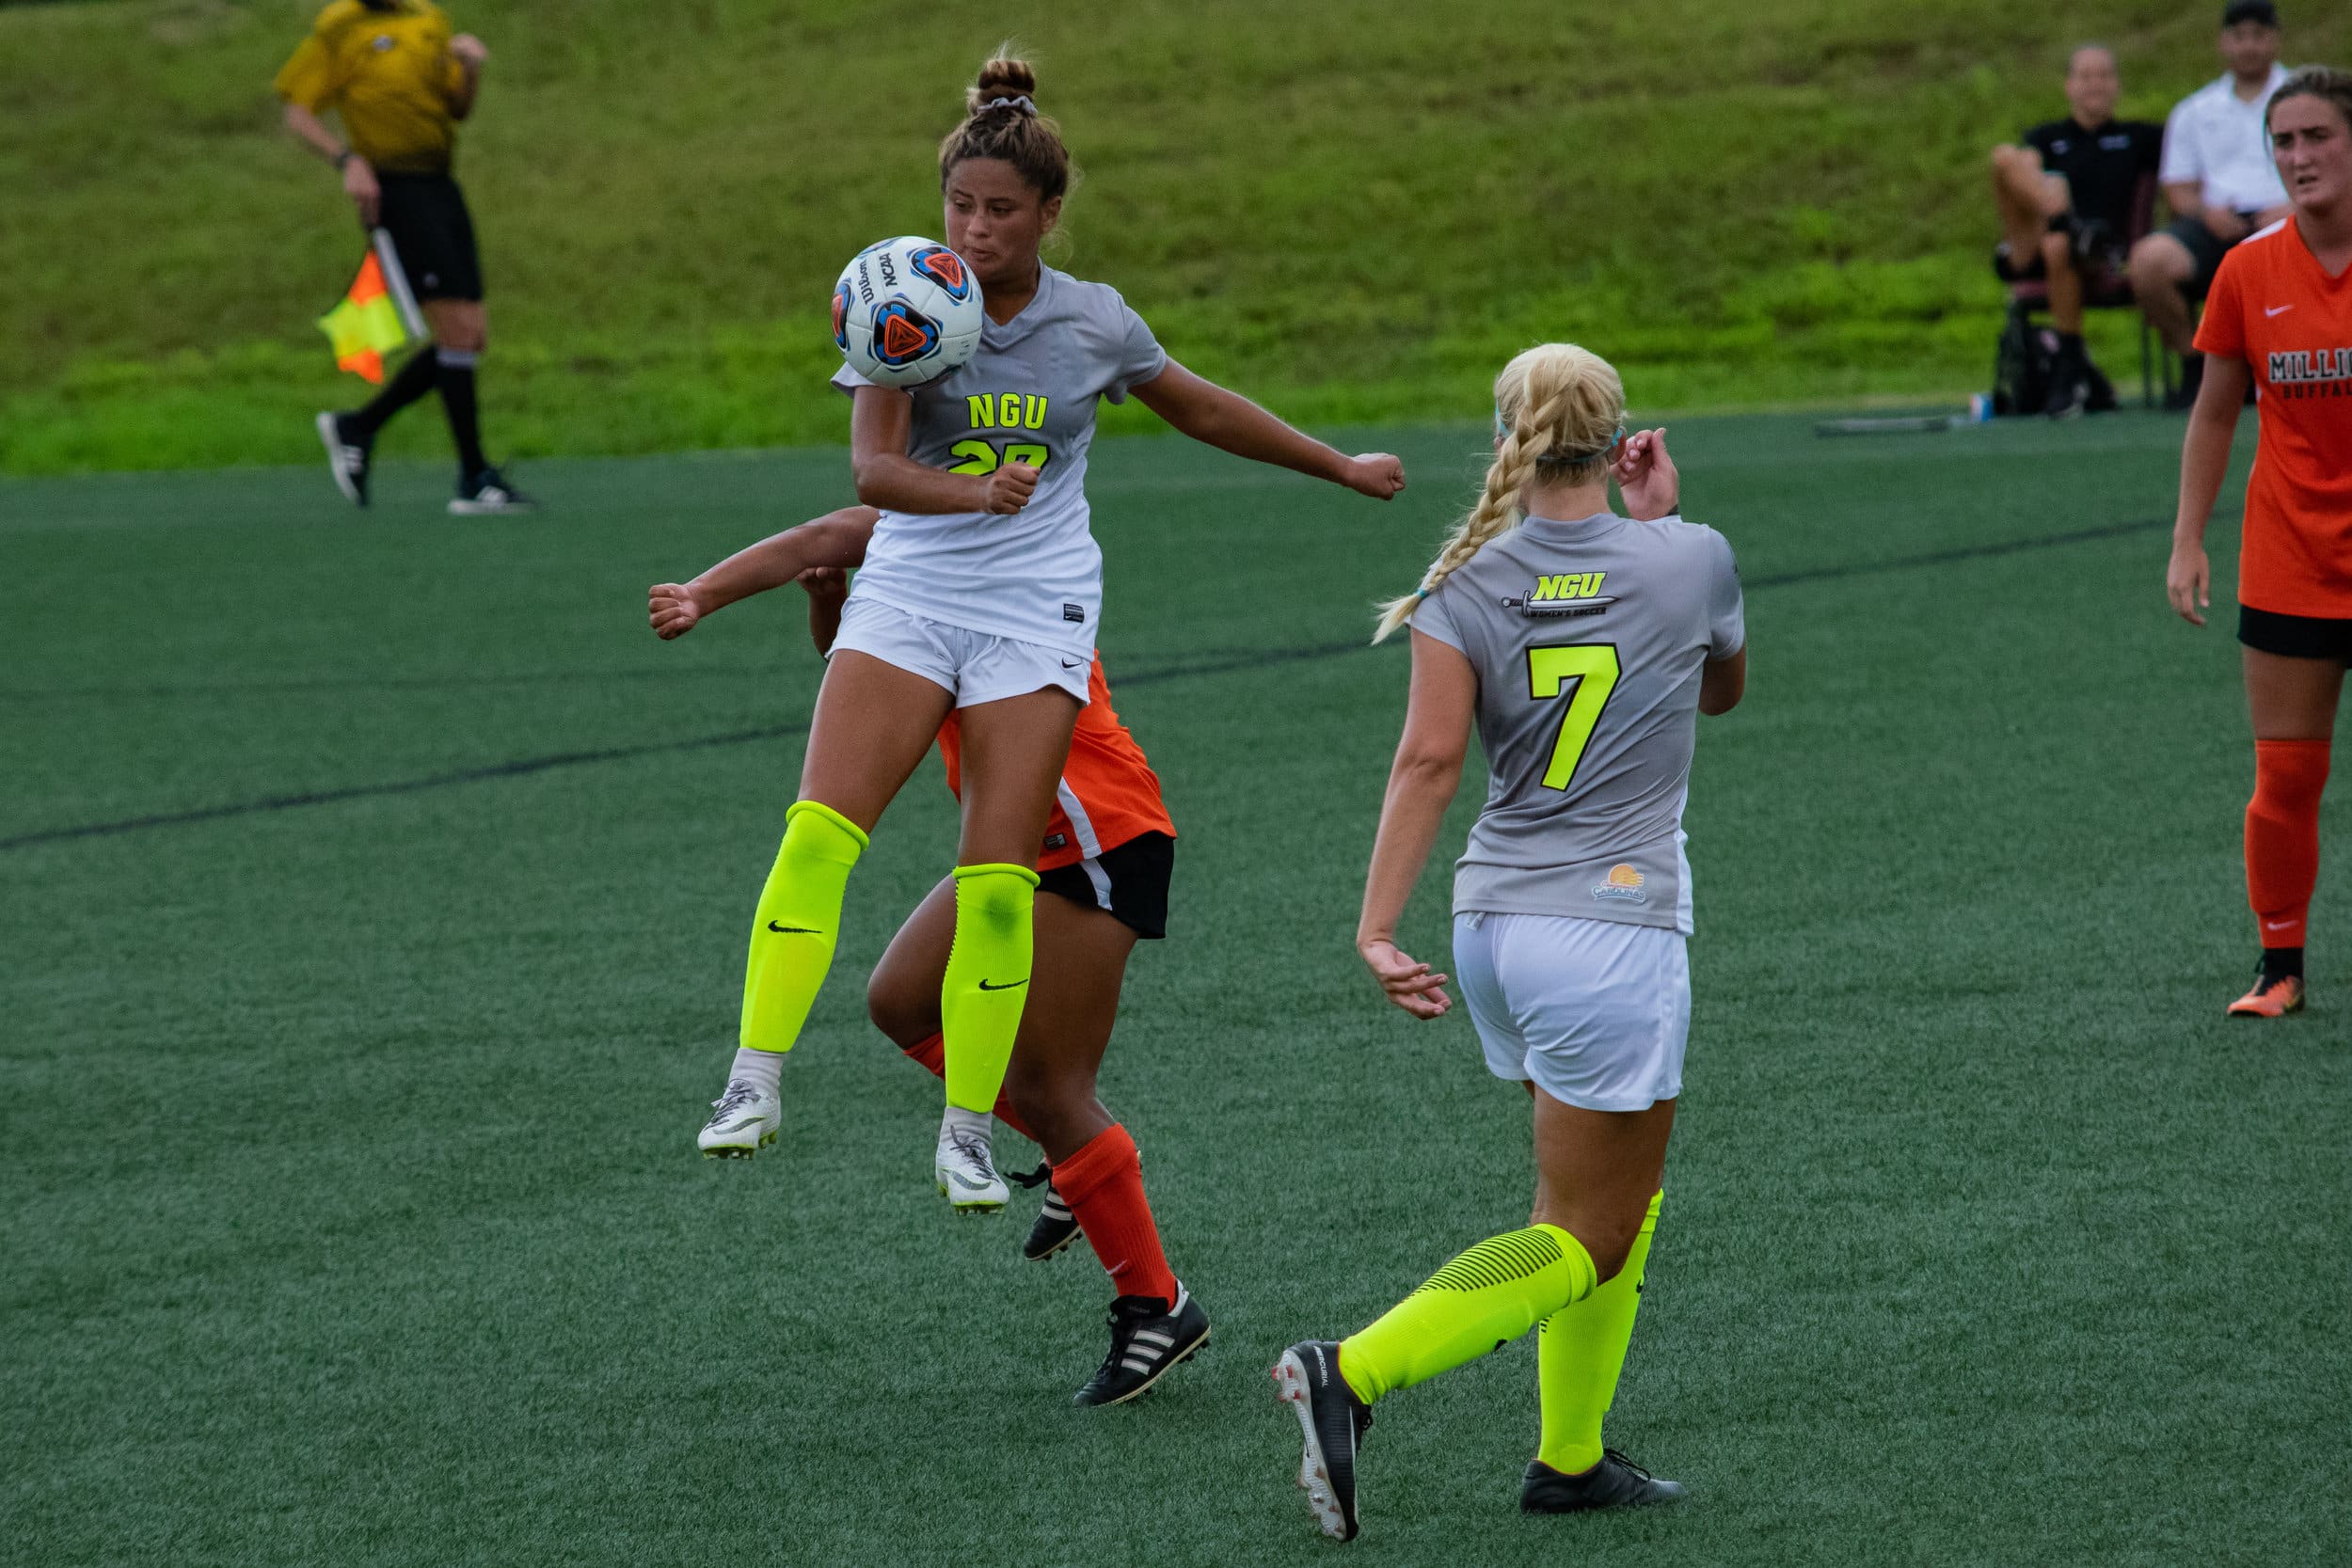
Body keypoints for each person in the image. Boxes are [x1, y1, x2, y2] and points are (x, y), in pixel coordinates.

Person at [692, 54, 1405, 1212]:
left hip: (1036, 608)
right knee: (820, 832)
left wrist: (1335, 464)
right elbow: (871, 467)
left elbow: (1198, 404)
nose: (974, 230)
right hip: (915, 586)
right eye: (959, 206)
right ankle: (751, 1080)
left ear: (1050, 215)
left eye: (1001, 210)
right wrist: (972, 496)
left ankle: (966, 1134)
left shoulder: (1094, 323)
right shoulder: (903, 296)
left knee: (995, 881)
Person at [1271, 345, 1743, 1542]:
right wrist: (1661, 519)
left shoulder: (1460, 579)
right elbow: (1721, 690)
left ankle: (1569, 1457)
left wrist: (1377, 927)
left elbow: (1429, 761)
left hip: (1492, 925)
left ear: (1506, 441)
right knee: (1591, 1228)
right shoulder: (1691, 558)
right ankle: (1354, 1371)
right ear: (1622, 437)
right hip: (1611, 933)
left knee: (1586, 1205)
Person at [650, 508, 1210, 1404]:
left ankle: (1155, 1300)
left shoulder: (1015, 547)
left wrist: (706, 592)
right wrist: (808, 602)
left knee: (1048, 1090)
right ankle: (1077, 1168)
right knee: (902, 1000)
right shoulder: (917, 543)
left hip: (1095, 844)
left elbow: (838, 530)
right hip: (1019, 852)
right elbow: (854, 626)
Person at [2165, 66, 2352, 1019]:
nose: (2298, 156)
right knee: (2285, 773)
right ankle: (2279, 967)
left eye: (2317, 136)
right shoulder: (2247, 270)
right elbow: (2212, 414)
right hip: (2288, 556)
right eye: (2283, 142)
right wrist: (2188, 539)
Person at [276, 0, 532, 514]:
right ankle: (472, 478)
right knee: (456, 333)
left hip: (440, 185)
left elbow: (456, 107)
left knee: (470, 335)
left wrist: (470, 67)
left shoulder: (426, 19)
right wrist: (347, 160)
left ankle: (358, 427)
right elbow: (296, 112)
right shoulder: (340, 27)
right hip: (393, 189)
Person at [2132, 0, 2296, 407]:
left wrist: (2294, 207)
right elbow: (2179, 188)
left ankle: (2291, 367)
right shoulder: (2194, 110)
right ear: (2224, 43)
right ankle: (2197, 363)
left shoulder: (2302, 98)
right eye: (2240, 37)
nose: (2249, 47)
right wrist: (2208, 213)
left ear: (2274, 40)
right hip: (2215, 223)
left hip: (2290, 218)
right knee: (2148, 263)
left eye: (2258, 36)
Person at [1988, 45, 2164, 416]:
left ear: (2115, 84)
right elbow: (2026, 166)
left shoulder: (2139, 138)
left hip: (2099, 252)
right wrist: (2052, 197)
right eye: (2085, 76)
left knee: (2059, 246)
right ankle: (2068, 221)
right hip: (2033, 243)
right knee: (2004, 157)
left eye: (2102, 75)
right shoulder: (2048, 138)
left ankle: (2070, 367)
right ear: (2070, 86)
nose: (2094, 84)